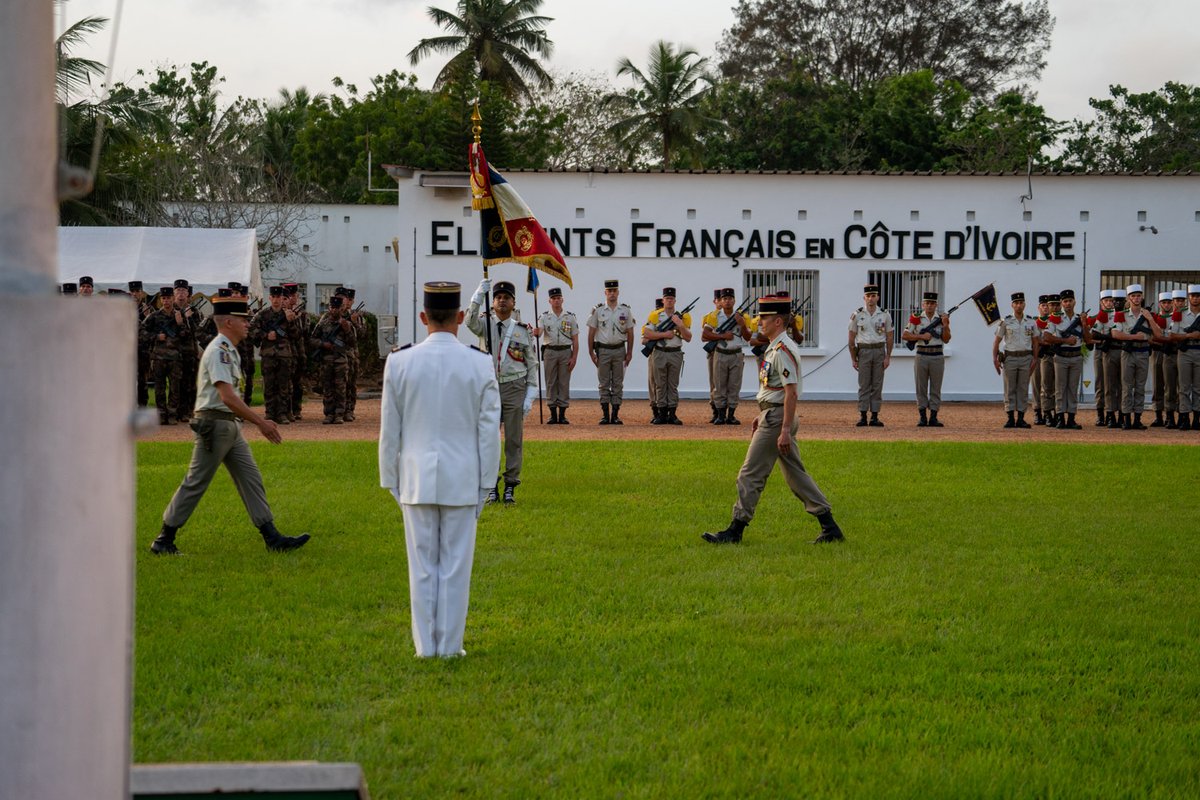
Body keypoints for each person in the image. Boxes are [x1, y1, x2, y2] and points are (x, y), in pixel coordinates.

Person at [378, 281, 500, 658]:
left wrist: (391, 480)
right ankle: (449, 647)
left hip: (414, 478)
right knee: (455, 568)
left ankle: (425, 647)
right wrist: (486, 484)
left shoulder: (399, 361)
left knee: (422, 568)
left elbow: (390, 430)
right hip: (463, 477)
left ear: (422, 317)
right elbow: (488, 433)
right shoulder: (479, 363)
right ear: (461, 318)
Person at [150, 296, 310, 555]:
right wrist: (260, 422)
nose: (248, 324)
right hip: (214, 424)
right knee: (196, 482)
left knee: (251, 479)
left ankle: (272, 537)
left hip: (228, 425)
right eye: (243, 319)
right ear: (227, 322)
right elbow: (227, 397)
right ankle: (164, 539)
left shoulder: (229, 350)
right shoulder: (219, 351)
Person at [702, 295, 843, 545]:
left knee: (749, 474)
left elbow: (791, 392)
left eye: (764, 319)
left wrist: (784, 428)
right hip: (773, 414)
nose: (758, 323)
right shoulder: (776, 346)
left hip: (777, 418)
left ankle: (735, 530)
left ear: (778, 321)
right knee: (796, 475)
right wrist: (762, 413)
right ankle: (829, 526)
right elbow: (776, 388)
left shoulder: (783, 349)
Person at [467, 278, 538, 504]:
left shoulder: (522, 330)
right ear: (493, 302)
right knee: (489, 438)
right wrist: (477, 296)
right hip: (489, 387)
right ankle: (490, 486)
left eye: (506, 298)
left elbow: (531, 363)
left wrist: (530, 394)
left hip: (514, 387)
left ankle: (510, 486)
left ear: (513, 302)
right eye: (498, 297)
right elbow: (468, 321)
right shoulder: (484, 324)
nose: (502, 301)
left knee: (513, 439)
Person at [1110, 283, 1162, 429]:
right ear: (1128, 298)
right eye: (1133, 296)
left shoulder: (1147, 315)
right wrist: (1134, 338)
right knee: (1127, 386)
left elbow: (1158, 334)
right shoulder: (1121, 314)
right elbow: (1115, 333)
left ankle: (1137, 419)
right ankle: (1126, 419)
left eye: (1138, 296)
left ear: (1142, 297)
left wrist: (1150, 319)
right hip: (1128, 353)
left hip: (1143, 352)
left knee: (1140, 386)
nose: (1136, 298)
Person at [140, 286, 192, 425]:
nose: (166, 301)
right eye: (163, 298)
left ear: (172, 298)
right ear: (160, 300)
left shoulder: (179, 314)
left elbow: (187, 335)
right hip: (158, 358)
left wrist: (180, 323)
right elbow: (142, 333)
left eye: (168, 298)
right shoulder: (154, 316)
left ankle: (172, 414)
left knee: (175, 388)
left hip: (175, 358)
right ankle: (161, 414)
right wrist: (156, 336)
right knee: (159, 388)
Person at [587, 279, 635, 425]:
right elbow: (591, 332)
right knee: (603, 383)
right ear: (605, 293)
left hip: (619, 349)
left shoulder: (625, 311)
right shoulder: (598, 311)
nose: (612, 294)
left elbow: (630, 332)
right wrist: (591, 353)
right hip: (603, 350)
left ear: (618, 292)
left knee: (618, 383)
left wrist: (629, 352)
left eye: (614, 291)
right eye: (609, 291)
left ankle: (615, 415)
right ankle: (605, 415)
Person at [702, 287, 752, 425]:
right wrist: (723, 335)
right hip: (721, 354)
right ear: (721, 301)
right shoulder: (714, 316)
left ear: (734, 300)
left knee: (734, 385)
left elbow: (748, 338)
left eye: (730, 299)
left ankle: (731, 415)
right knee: (719, 385)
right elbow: (705, 335)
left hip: (736, 354)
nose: (727, 301)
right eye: (725, 299)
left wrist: (742, 325)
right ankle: (720, 415)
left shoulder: (742, 317)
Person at [644, 287, 693, 425]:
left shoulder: (682, 318)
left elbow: (688, 338)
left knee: (672, 384)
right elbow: (647, 334)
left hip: (675, 352)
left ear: (675, 300)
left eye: (672, 299)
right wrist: (664, 335)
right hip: (660, 352)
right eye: (667, 299)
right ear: (663, 300)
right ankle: (661, 414)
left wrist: (680, 325)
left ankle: (672, 413)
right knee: (660, 384)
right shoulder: (656, 316)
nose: (669, 301)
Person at [902, 291, 951, 427]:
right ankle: (923, 417)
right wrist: (921, 337)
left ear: (936, 305)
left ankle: (934, 417)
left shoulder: (941, 319)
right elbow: (905, 335)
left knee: (936, 387)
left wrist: (946, 325)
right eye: (927, 303)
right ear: (923, 304)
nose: (929, 306)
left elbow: (946, 339)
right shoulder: (916, 318)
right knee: (921, 387)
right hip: (922, 355)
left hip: (937, 355)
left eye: (932, 303)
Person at [1041, 288, 1087, 429]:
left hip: (1076, 356)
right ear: (1062, 303)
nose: (1068, 303)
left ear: (1074, 302)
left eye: (1070, 301)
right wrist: (1065, 341)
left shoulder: (1079, 319)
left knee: (1073, 389)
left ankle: (1071, 418)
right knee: (1060, 389)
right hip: (1061, 357)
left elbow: (1088, 338)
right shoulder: (1055, 318)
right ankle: (1060, 417)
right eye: (1065, 301)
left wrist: (1084, 323)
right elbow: (1047, 336)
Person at [250, 286, 296, 424]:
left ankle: (282, 414)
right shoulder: (262, 315)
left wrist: (291, 321)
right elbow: (251, 330)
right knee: (269, 385)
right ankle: (270, 413)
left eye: (279, 297)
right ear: (270, 298)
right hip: (268, 355)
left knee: (283, 386)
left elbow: (297, 335)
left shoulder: (288, 314)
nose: (276, 300)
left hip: (284, 355)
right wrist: (265, 335)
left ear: (283, 299)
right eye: (273, 297)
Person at [309, 294, 357, 424]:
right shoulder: (323, 324)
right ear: (329, 308)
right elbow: (312, 339)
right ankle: (329, 414)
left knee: (341, 388)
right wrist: (323, 344)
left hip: (341, 361)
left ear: (342, 308)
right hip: (326, 360)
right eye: (332, 307)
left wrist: (347, 330)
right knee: (328, 388)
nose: (335, 310)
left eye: (337, 307)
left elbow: (353, 343)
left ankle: (339, 414)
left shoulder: (346, 324)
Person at [992, 291, 1038, 429]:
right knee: (1010, 388)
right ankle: (1010, 418)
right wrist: (995, 359)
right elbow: (997, 341)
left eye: (1021, 303)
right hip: (1010, 357)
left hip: (1026, 357)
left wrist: (1035, 358)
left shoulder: (1031, 322)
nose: (1019, 305)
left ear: (1024, 304)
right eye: (1016, 303)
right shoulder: (1005, 322)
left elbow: (1035, 342)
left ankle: (1021, 419)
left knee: (1023, 388)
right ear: (1012, 305)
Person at [848, 283, 892, 427]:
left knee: (877, 384)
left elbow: (890, 337)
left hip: (879, 351)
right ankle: (862, 415)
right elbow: (851, 338)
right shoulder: (857, 315)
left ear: (878, 297)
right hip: (864, 351)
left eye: (873, 296)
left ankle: (874, 416)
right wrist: (853, 358)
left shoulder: (885, 314)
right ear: (864, 298)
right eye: (868, 296)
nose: (871, 299)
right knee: (864, 384)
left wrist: (888, 356)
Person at [535, 286, 579, 424]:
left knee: (564, 382)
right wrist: (536, 332)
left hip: (566, 351)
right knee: (550, 381)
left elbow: (575, 340)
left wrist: (574, 357)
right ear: (549, 301)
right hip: (550, 351)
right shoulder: (544, 317)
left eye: (558, 298)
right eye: (553, 298)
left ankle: (563, 414)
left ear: (562, 299)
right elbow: (540, 332)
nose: (556, 301)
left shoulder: (570, 317)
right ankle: (553, 413)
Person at [1168, 284, 1200, 430]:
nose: (1195, 298)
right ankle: (1185, 417)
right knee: (1184, 386)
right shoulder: (1179, 314)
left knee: (1198, 388)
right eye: (1193, 296)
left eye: (1198, 296)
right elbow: (1172, 335)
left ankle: (1197, 418)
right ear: (1189, 297)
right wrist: (1189, 335)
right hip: (1185, 352)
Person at [1150, 291, 1179, 428]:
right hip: (1159, 352)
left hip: (1174, 352)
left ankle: (1171, 414)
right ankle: (1158, 415)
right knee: (1158, 383)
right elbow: (1149, 337)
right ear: (1160, 304)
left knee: (1172, 385)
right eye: (1164, 303)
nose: (1166, 305)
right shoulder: (1154, 318)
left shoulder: (1177, 317)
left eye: (1169, 302)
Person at [1089, 290, 1117, 427]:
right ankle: (1100, 414)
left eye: (1111, 301)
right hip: (1101, 351)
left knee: (1113, 384)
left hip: (1115, 351)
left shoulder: (1119, 315)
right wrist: (1108, 338)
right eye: (1106, 301)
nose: (1109, 303)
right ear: (1101, 302)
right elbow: (1093, 335)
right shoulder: (1099, 316)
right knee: (1100, 383)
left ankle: (1112, 413)